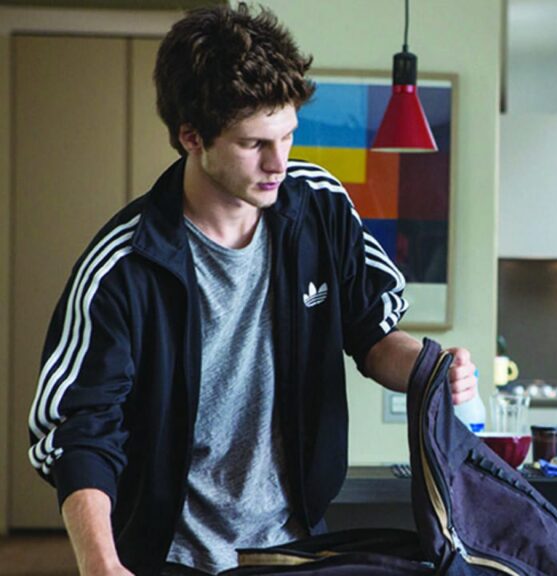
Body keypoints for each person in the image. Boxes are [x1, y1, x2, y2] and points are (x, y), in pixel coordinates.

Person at [26, 5, 477, 575]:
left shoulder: (319, 206)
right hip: (170, 556)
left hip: (296, 547)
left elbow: (371, 333)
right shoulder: (123, 266)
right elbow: (81, 430)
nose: (278, 163)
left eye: (288, 136)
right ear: (192, 137)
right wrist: (101, 564)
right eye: (253, 143)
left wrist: (431, 369)